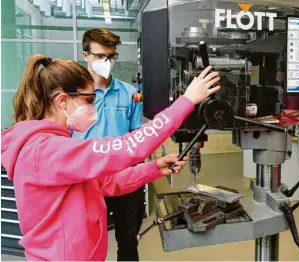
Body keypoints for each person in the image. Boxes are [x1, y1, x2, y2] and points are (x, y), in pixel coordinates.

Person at [1, 55, 220, 261]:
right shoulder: (44, 151)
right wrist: (186, 101)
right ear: (62, 101)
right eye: (88, 99)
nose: (93, 107)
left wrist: (154, 168)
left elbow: (103, 183)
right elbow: (129, 146)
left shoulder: (53, 145)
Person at [73, 28, 144, 261]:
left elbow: (137, 139)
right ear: (86, 56)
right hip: (87, 183)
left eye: (111, 56)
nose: (107, 62)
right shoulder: (72, 96)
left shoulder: (130, 94)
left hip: (124, 182)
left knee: (128, 244)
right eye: (100, 56)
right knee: (88, 245)